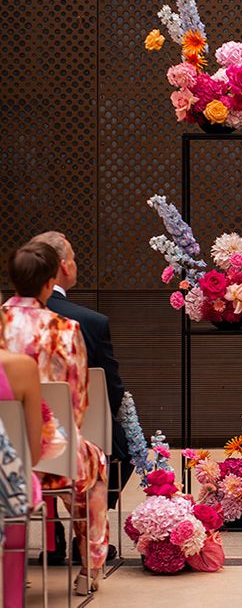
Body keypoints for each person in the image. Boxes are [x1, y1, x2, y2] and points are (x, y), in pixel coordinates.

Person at [2, 242, 109, 595]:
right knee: (95, 468)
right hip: (50, 455)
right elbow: (76, 402)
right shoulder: (66, 329)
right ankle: (89, 570)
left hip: (3, 454)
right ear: (50, 283)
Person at [33, 231, 129, 560]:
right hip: (77, 435)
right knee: (122, 445)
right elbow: (110, 390)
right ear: (63, 266)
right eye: (73, 257)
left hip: (17, 436)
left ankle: (52, 535)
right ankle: (83, 530)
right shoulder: (87, 322)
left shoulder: (7, 320)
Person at [0, 296, 43, 608]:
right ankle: (12, 598)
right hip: (8, 492)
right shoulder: (20, 367)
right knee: (19, 482)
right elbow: (34, 450)